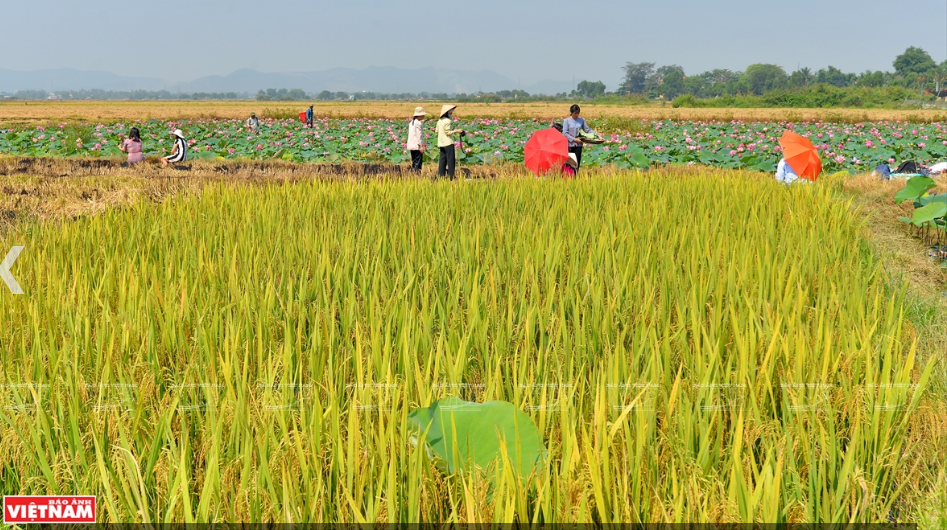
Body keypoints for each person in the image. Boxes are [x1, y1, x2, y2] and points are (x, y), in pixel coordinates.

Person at [561, 104, 600, 174]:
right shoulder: (566, 121)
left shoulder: (581, 120)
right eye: (575, 113)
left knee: (577, 163)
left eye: (578, 113)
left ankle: (575, 178)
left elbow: (588, 130)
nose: (576, 115)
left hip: (578, 146)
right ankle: (567, 177)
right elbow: (565, 133)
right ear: (571, 112)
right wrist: (574, 139)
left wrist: (598, 136)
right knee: (569, 163)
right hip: (569, 145)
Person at [436, 104, 464, 179]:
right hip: (448, 143)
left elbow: (436, 131)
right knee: (450, 161)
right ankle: (451, 176)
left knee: (442, 161)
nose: (451, 113)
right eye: (450, 112)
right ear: (447, 113)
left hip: (441, 143)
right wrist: (457, 131)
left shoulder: (439, 121)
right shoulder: (448, 121)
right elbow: (447, 132)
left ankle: (441, 176)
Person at [406, 106, 427, 173]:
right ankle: (417, 175)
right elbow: (419, 135)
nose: (424, 116)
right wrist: (421, 146)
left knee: (414, 161)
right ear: (419, 115)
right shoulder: (418, 123)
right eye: (423, 115)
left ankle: (413, 174)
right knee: (418, 162)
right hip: (417, 145)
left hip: (412, 145)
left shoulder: (412, 122)